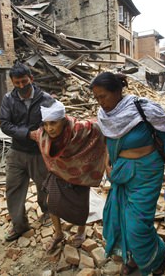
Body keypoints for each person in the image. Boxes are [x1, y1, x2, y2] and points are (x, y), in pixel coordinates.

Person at [90, 72, 165, 276]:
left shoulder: (142, 108)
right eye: (96, 98)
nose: (100, 102)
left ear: (117, 91)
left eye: (103, 96)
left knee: (137, 226)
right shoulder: (104, 115)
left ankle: (158, 257)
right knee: (119, 219)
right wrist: (106, 164)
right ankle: (132, 258)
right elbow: (107, 142)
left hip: (146, 174)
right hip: (120, 174)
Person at [29, 100, 106, 252]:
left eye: (53, 123)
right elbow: (34, 135)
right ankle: (58, 233)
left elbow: (99, 128)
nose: (49, 128)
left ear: (63, 121)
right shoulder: (43, 133)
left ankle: (81, 230)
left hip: (80, 174)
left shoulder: (80, 129)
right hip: (58, 172)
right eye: (46, 124)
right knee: (52, 202)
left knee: (80, 207)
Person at [0, 62, 54, 242]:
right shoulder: (8, 99)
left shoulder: (45, 98)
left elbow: (57, 121)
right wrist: (27, 134)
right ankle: (19, 226)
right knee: (13, 189)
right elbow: (5, 125)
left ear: (31, 78)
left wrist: (46, 132)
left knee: (44, 186)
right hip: (16, 152)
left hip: (39, 153)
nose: (21, 86)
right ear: (12, 82)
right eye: (17, 83)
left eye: (24, 81)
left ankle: (47, 212)